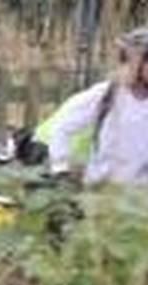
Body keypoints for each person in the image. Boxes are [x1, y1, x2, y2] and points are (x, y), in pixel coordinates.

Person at [42, 27, 148, 185]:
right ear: (136, 62)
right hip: (100, 192)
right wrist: (60, 168)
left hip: (139, 199)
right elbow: (62, 126)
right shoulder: (108, 94)